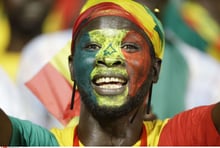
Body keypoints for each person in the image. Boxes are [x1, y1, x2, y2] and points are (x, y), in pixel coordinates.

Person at [0, 0, 220, 146]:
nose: (110, 57)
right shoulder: (37, 143)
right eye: (93, 46)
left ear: (155, 70)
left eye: (130, 47)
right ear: (72, 67)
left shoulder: (175, 139)